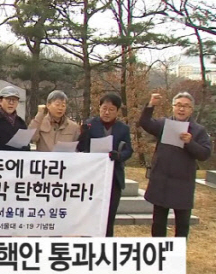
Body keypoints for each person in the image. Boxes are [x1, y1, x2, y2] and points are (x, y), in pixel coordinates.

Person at [140, 92, 212, 238]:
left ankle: (177, 256)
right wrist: (150, 105)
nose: (181, 109)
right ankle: (158, 254)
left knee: (182, 224)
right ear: (173, 107)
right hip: (161, 180)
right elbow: (145, 123)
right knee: (158, 222)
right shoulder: (164, 124)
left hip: (183, 183)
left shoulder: (198, 130)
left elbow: (204, 154)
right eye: (178, 105)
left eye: (186, 106)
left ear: (191, 109)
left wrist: (190, 143)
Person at [77, 93, 133, 237]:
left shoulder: (123, 128)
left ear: (117, 111)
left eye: (111, 109)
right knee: (90, 216)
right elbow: (81, 148)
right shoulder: (90, 124)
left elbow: (129, 150)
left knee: (109, 216)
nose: (107, 112)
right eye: (104, 108)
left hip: (114, 177)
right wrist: (83, 134)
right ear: (99, 108)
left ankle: (106, 246)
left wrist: (119, 156)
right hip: (93, 178)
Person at [0, 86, 29, 151]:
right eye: (8, 99)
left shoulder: (21, 123)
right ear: (0, 101)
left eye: (14, 100)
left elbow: (27, 146)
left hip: (16, 159)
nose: (11, 103)